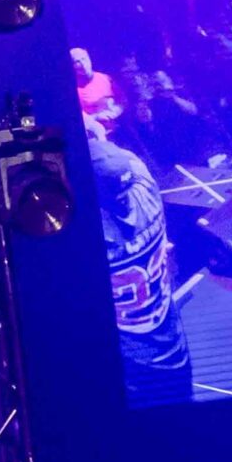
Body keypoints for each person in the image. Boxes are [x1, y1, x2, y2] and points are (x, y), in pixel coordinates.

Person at [86, 119, 193, 405]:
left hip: (134, 371)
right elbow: (125, 161)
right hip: (174, 348)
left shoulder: (96, 237)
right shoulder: (147, 190)